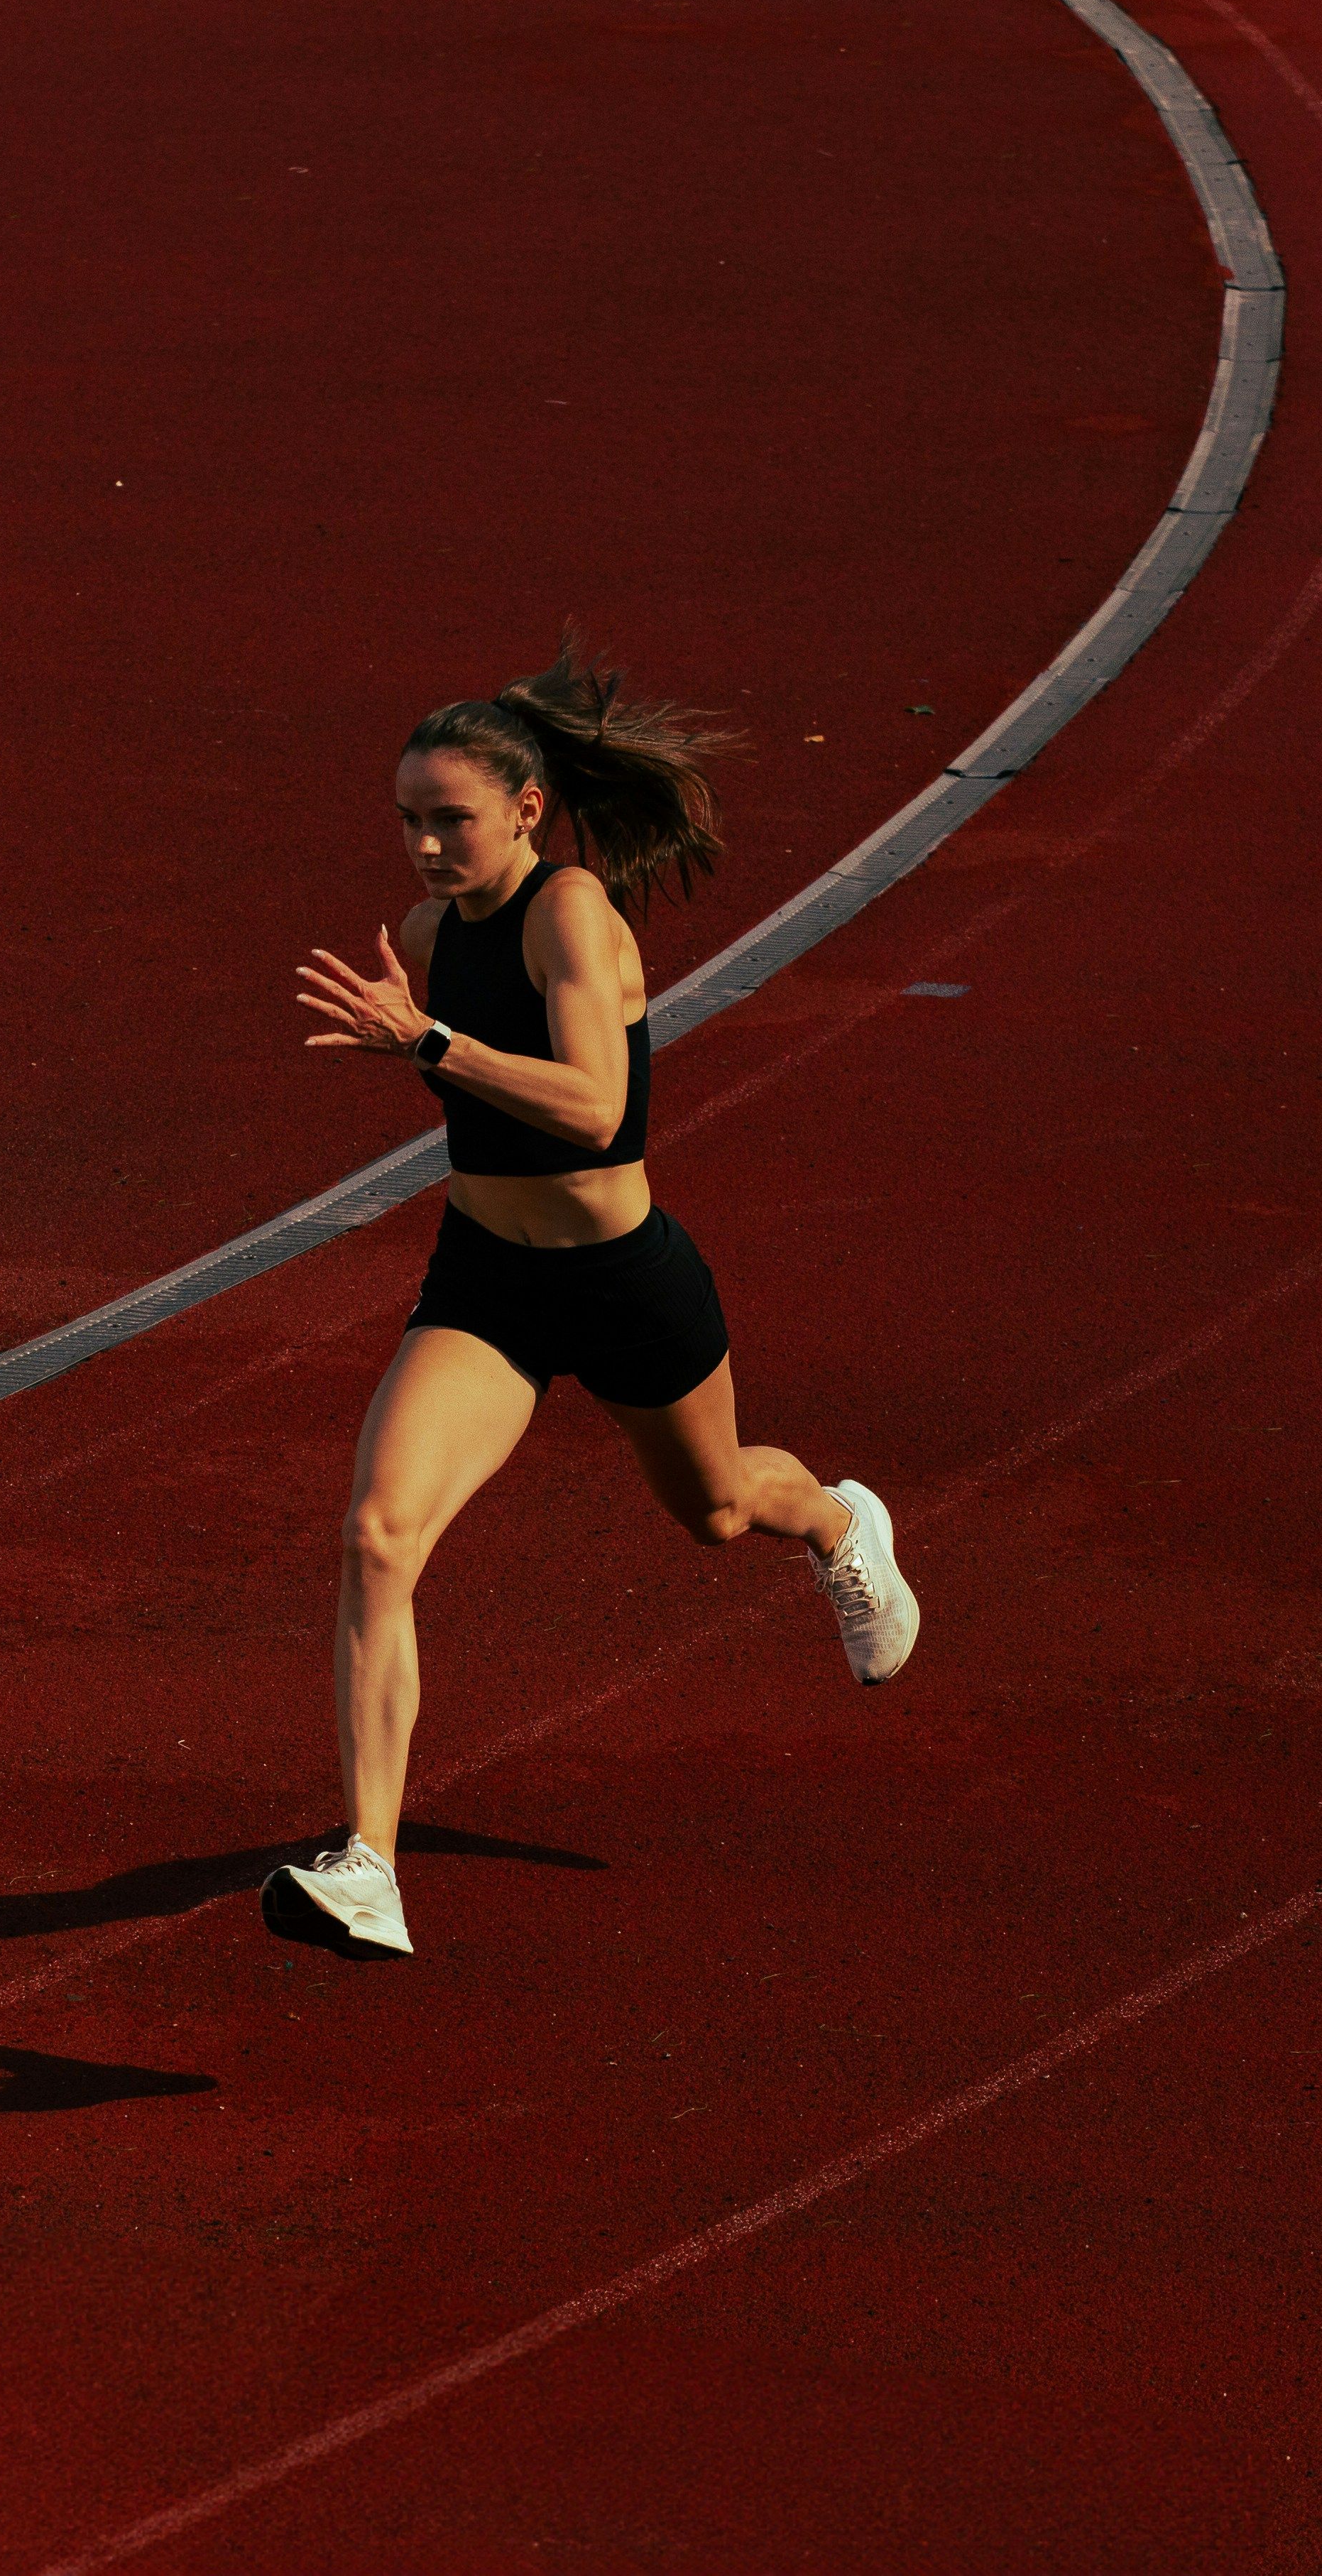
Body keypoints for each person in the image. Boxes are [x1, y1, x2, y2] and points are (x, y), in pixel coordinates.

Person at [267, 638, 918, 1957]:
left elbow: (594, 1107)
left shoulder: (570, 909)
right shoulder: (423, 937)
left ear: (524, 808)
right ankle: (370, 1862)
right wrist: (421, 1040)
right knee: (377, 1536)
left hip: (623, 1279)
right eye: (408, 824)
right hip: (487, 1280)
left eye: (450, 820)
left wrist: (431, 1044)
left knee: (718, 1508)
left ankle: (837, 1521)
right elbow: (477, 1106)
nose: (427, 849)